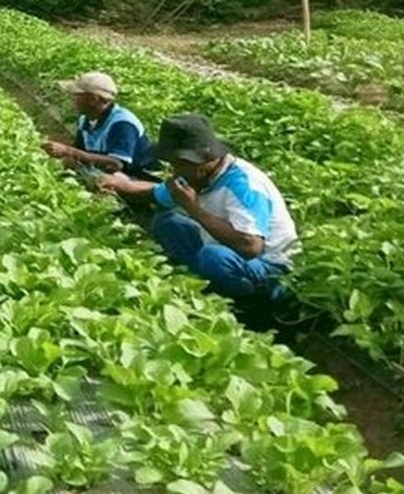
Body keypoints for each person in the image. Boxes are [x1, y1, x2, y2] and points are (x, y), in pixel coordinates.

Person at [100, 113, 298, 317]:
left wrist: (194, 208)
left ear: (203, 161)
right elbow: (154, 193)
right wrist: (121, 184)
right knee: (167, 223)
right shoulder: (196, 176)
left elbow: (251, 246)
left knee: (214, 257)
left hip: (270, 267)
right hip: (223, 250)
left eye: (178, 163)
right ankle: (203, 286)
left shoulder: (244, 185)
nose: (174, 170)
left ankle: (249, 310)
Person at [41, 71, 159, 185]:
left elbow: (116, 164)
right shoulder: (86, 119)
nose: (72, 98)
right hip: (108, 173)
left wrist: (68, 151)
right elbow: (80, 150)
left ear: (93, 99)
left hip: (137, 180)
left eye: (76, 95)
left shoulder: (122, 123)